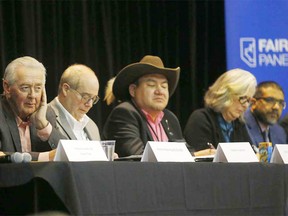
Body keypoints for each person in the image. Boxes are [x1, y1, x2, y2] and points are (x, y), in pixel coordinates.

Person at [102, 55, 184, 157]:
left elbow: (186, 153)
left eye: (164, 86)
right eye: (151, 85)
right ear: (133, 90)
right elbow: (137, 156)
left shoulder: (170, 118)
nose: (160, 91)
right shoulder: (125, 113)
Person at [0, 56, 64, 161]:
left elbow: (67, 153)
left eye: (38, 88)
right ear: (7, 87)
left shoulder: (47, 114)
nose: (33, 95)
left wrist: (43, 124)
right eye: (25, 88)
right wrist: (42, 157)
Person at [184, 68, 257, 154]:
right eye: (243, 98)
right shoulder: (201, 119)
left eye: (249, 100)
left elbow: (251, 156)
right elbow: (201, 161)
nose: (246, 105)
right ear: (226, 94)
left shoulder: (239, 124)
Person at [47, 64, 100, 141]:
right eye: (85, 97)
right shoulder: (44, 118)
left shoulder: (92, 126)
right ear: (66, 89)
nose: (90, 104)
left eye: (93, 98)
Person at [244, 81, 287, 147]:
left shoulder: (279, 132)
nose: (276, 107)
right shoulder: (241, 126)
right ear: (253, 103)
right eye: (270, 100)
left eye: (281, 103)